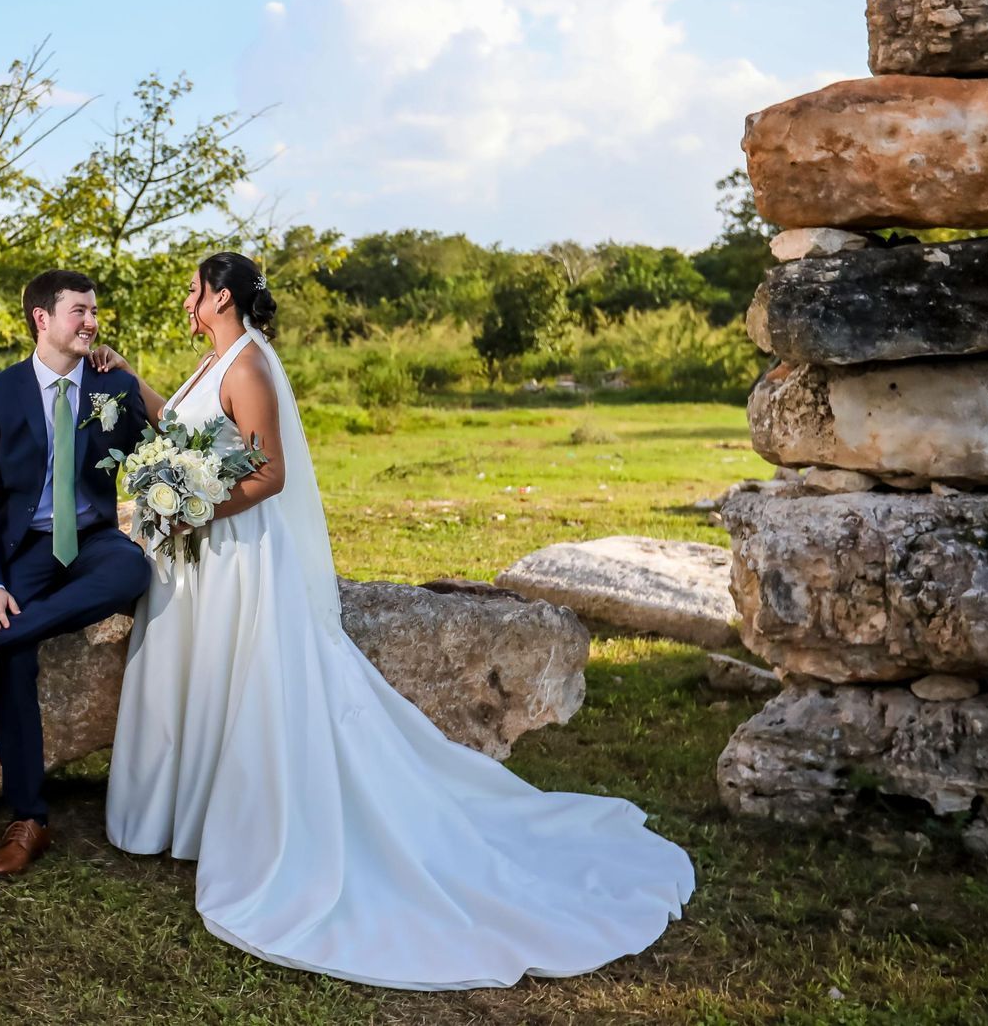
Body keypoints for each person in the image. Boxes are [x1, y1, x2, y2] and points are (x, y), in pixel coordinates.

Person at [90, 251, 696, 991]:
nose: (187, 299)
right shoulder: (213, 359)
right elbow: (182, 430)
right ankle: (192, 816)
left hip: (238, 552)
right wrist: (130, 384)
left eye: (194, 290)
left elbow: (269, 472)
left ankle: (257, 828)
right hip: (206, 553)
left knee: (250, 679)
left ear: (221, 296)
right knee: (203, 676)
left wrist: (190, 509)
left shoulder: (249, 365)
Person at [0, 269, 152, 879]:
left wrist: (134, 380)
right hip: (26, 550)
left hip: (93, 539)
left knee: (132, 573)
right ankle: (28, 820)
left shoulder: (111, 386)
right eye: (79, 312)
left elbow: (168, 442)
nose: (91, 322)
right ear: (43, 318)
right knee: (19, 658)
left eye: (94, 312)